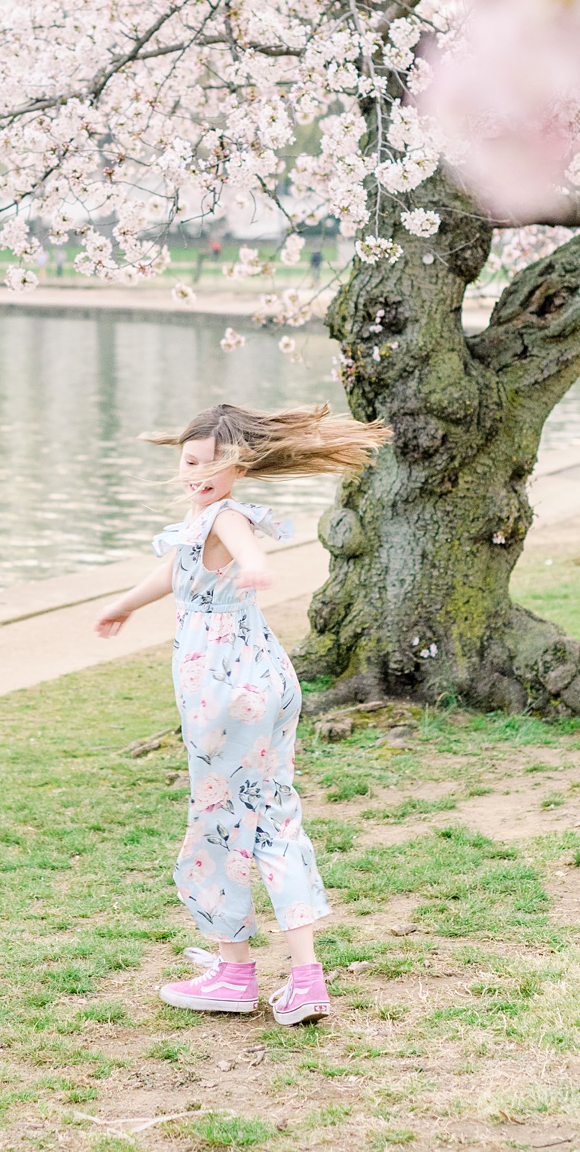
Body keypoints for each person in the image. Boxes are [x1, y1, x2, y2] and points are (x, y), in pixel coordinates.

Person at [94, 402, 392, 1026]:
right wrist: (121, 605)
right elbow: (174, 572)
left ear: (240, 465)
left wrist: (257, 565)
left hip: (224, 689)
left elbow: (241, 544)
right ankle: (306, 979)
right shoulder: (201, 519)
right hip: (265, 679)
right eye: (191, 460)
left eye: (213, 462)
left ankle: (234, 972)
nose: (198, 472)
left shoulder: (227, 516)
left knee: (219, 818)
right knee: (275, 815)